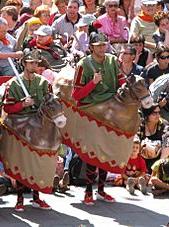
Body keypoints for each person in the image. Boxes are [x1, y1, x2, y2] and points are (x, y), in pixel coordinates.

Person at [72, 32, 125, 205]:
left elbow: (121, 82)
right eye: (99, 45)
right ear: (91, 47)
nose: (102, 48)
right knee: (92, 153)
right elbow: (76, 95)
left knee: (107, 151)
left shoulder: (112, 61)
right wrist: (93, 83)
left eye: (105, 44)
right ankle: (88, 191)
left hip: (110, 109)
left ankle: (101, 190)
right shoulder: (83, 65)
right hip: (91, 110)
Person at [1, 49, 54, 211]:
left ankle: (37, 198)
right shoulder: (13, 84)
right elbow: (8, 108)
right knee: (20, 164)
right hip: (19, 126)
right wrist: (21, 105)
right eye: (30, 63)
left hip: (38, 127)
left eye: (36, 63)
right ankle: (19, 198)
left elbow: (50, 104)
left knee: (37, 163)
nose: (33, 66)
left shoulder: (44, 83)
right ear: (23, 63)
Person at [138, 103, 169, 173]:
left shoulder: (164, 125)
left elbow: (166, 146)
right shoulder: (140, 125)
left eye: (159, 112)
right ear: (147, 114)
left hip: (159, 161)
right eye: (154, 113)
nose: (158, 116)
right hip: (140, 161)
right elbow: (134, 144)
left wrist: (157, 168)